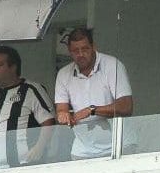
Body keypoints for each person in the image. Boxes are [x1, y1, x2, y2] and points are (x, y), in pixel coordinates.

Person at [53, 27, 134, 159]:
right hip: (83, 150)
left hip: (120, 145)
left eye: (85, 49)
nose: (80, 54)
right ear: (69, 51)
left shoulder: (112, 65)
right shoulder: (63, 74)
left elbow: (126, 107)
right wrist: (63, 116)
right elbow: (61, 109)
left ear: (93, 47)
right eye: (75, 51)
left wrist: (91, 110)